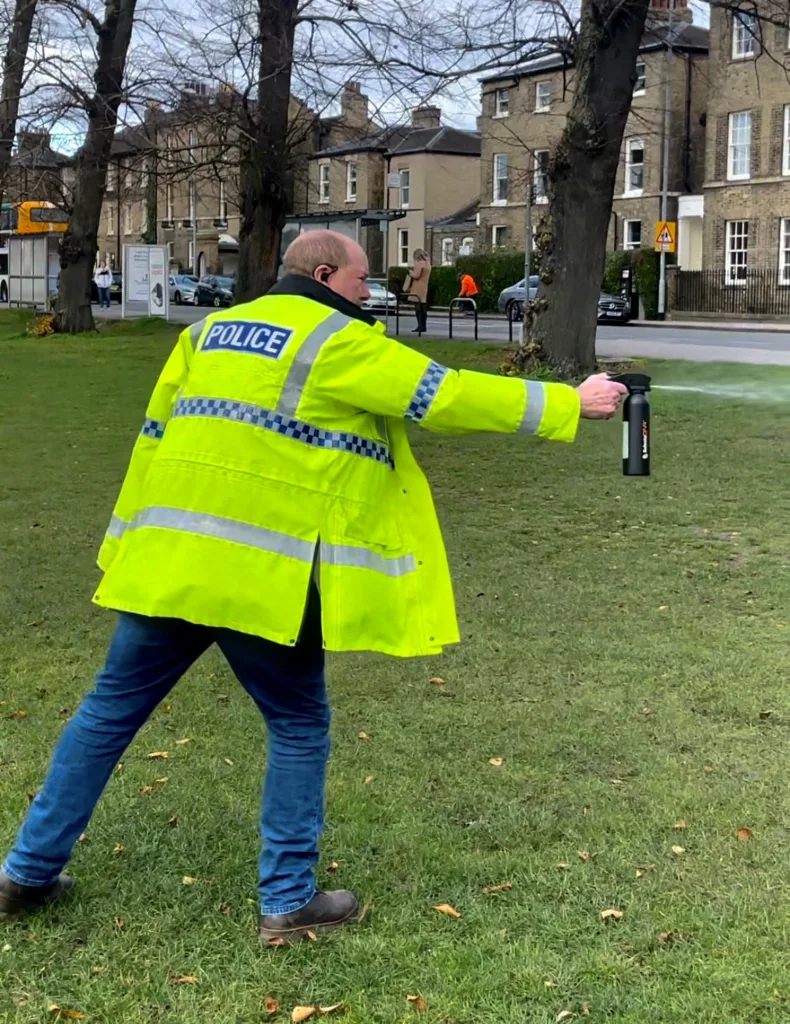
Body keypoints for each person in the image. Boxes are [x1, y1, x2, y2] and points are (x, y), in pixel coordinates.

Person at [0, 230, 626, 943]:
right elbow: (443, 395)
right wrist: (570, 404)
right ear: (326, 275)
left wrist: (125, 546)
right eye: (363, 283)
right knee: (298, 724)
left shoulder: (206, 333)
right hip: (263, 577)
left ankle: (25, 872)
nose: (370, 297)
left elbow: (154, 434)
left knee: (106, 715)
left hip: (167, 562)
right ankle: (288, 902)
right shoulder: (337, 341)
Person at [404, 248, 431, 333]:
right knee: (423, 307)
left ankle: (420, 325)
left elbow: (416, 275)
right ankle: (424, 325)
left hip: (417, 287)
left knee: (418, 307)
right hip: (424, 287)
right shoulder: (428, 264)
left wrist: (410, 272)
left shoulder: (419, 263)